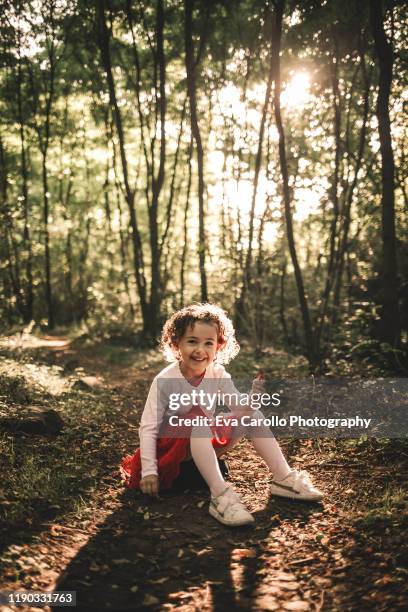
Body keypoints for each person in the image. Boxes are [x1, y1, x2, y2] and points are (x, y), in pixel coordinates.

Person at [121, 303, 323, 527]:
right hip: (169, 453)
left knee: (253, 415)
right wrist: (150, 471)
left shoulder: (217, 372)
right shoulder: (165, 380)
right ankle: (220, 496)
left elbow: (239, 410)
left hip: (201, 443)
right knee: (197, 421)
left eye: (209, 343)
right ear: (176, 343)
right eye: (192, 341)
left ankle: (283, 478)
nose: (201, 350)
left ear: (218, 346)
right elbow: (148, 427)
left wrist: (253, 397)